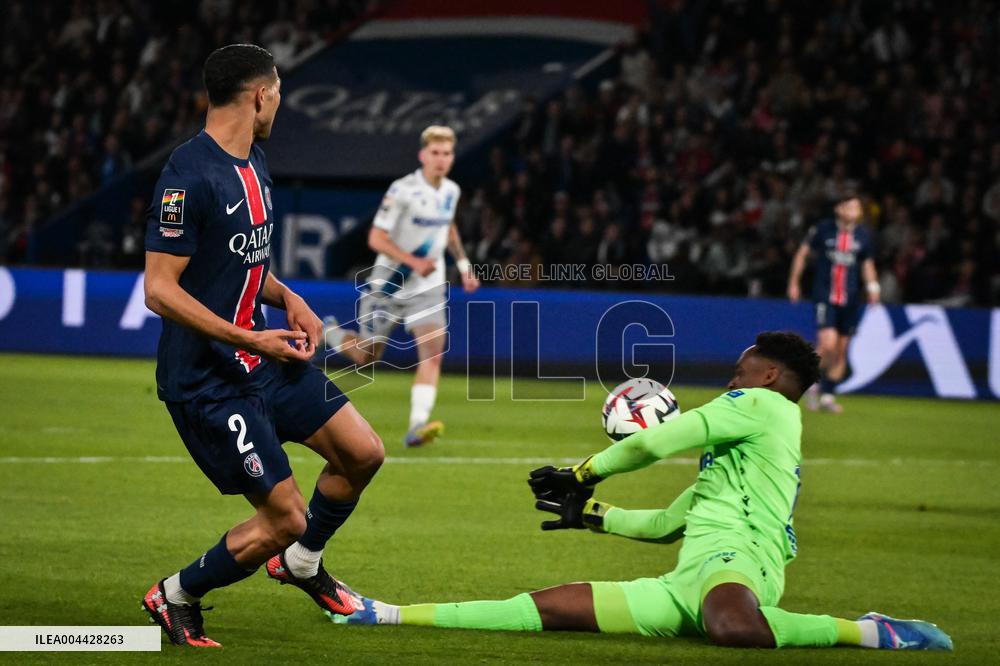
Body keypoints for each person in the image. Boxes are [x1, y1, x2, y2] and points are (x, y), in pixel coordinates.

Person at [331, 332, 952, 652]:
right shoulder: (739, 461)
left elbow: (656, 442)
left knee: (734, 628)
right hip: (688, 581)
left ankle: (872, 632)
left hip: (741, 563)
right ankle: (383, 611)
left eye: (739, 372)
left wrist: (585, 473)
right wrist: (591, 515)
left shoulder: (764, 405)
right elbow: (668, 524)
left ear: (766, 376)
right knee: (541, 611)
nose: (731, 382)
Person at [140, 44, 384, 647]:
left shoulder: (256, 162)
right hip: (209, 380)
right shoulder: (187, 175)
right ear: (258, 96)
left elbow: (242, 264)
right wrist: (248, 335)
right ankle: (175, 595)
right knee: (284, 518)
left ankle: (302, 562)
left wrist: (288, 297)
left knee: (363, 453)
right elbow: (159, 290)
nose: (281, 101)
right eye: (278, 91)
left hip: (261, 357)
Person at [323, 125, 480, 447]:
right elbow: (376, 238)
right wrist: (413, 260)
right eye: (435, 153)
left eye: (447, 153)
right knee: (367, 356)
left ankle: (416, 426)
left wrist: (464, 266)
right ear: (423, 155)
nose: (441, 159)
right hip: (389, 286)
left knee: (433, 354)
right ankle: (329, 334)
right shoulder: (402, 191)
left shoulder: (450, 191)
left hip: (428, 287)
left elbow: (447, 229)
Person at [787, 192, 880, 412]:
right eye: (851, 206)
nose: (855, 211)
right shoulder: (823, 229)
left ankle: (828, 395)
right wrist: (794, 282)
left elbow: (867, 264)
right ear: (839, 208)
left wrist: (873, 287)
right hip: (825, 296)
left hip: (850, 299)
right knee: (827, 344)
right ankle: (809, 384)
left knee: (840, 350)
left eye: (858, 207)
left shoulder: (862, 235)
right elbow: (802, 254)